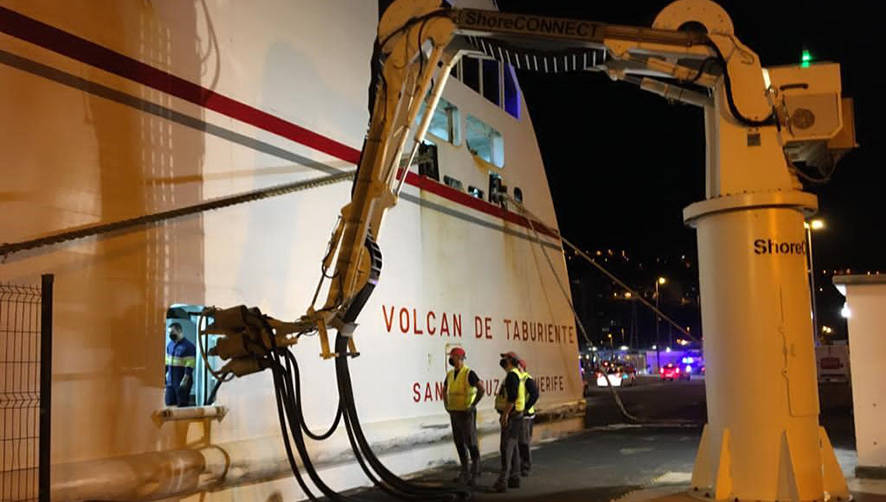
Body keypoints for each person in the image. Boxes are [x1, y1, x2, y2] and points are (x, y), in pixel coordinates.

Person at [443, 347, 485, 486]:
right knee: (459, 442)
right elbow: (445, 389)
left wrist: (473, 405)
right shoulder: (450, 374)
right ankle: (465, 472)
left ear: (458, 357)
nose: (450, 359)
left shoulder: (469, 373)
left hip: (466, 413)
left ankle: (476, 473)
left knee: (471, 443)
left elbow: (481, 389)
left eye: (452, 356)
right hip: (455, 413)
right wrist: (446, 405)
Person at [492, 351, 525, 492]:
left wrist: (505, 415)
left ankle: (502, 481)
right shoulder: (516, 374)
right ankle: (514, 478)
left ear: (510, 360)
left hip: (511, 416)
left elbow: (512, 397)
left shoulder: (512, 375)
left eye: (505, 358)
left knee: (506, 448)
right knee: (514, 447)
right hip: (517, 415)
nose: (503, 361)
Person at [517, 359, 539, 477]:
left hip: (526, 415)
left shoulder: (526, 379)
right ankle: (519, 465)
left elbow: (535, 394)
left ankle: (526, 465)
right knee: (518, 442)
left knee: (524, 441)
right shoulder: (516, 378)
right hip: (518, 414)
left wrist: (526, 407)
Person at [165, 322, 196, 407]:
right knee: (169, 405)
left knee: (181, 406)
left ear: (179, 331)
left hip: (182, 381)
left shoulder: (188, 347)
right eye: (169, 333)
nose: (170, 335)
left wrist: (184, 381)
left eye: (172, 332)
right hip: (170, 382)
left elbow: (190, 366)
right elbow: (167, 363)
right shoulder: (170, 345)